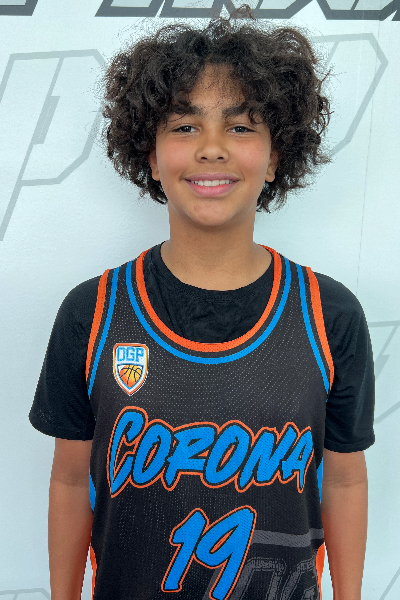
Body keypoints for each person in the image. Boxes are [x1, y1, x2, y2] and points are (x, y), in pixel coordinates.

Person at [29, 9, 375, 600]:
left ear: (275, 157)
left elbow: (343, 480)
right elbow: (68, 480)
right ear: (149, 154)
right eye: (184, 126)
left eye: (241, 127)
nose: (212, 149)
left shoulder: (329, 314)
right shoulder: (93, 312)